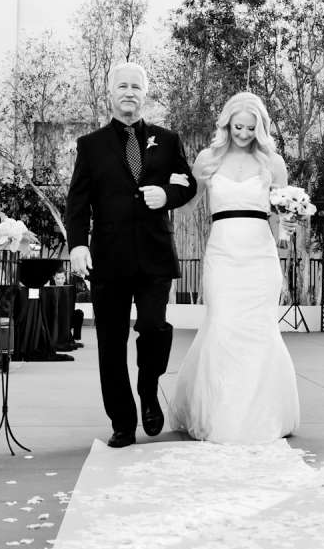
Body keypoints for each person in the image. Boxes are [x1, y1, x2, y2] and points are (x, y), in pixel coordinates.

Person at [65, 63, 197, 446]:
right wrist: (77, 245)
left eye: (136, 87)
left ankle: (149, 386)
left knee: (154, 327)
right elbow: (78, 202)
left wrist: (168, 196)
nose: (129, 92)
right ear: (111, 91)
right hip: (108, 258)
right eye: (122, 86)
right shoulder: (90, 145)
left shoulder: (168, 139)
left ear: (145, 93)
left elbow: (188, 183)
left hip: (155, 253)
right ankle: (122, 421)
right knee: (110, 341)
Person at [159, 92, 302, 443]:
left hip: (260, 254)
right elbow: (188, 209)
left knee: (257, 328)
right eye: (238, 126)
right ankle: (220, 413)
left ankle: (259, 414)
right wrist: (183, 183)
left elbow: (280, 218)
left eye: (251, 128)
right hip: (222, 252)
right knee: (222, 324)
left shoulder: (274, 163)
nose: (243, 133)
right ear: (226, 124)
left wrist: (289, 226)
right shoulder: (208, 158)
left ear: (261, 128)